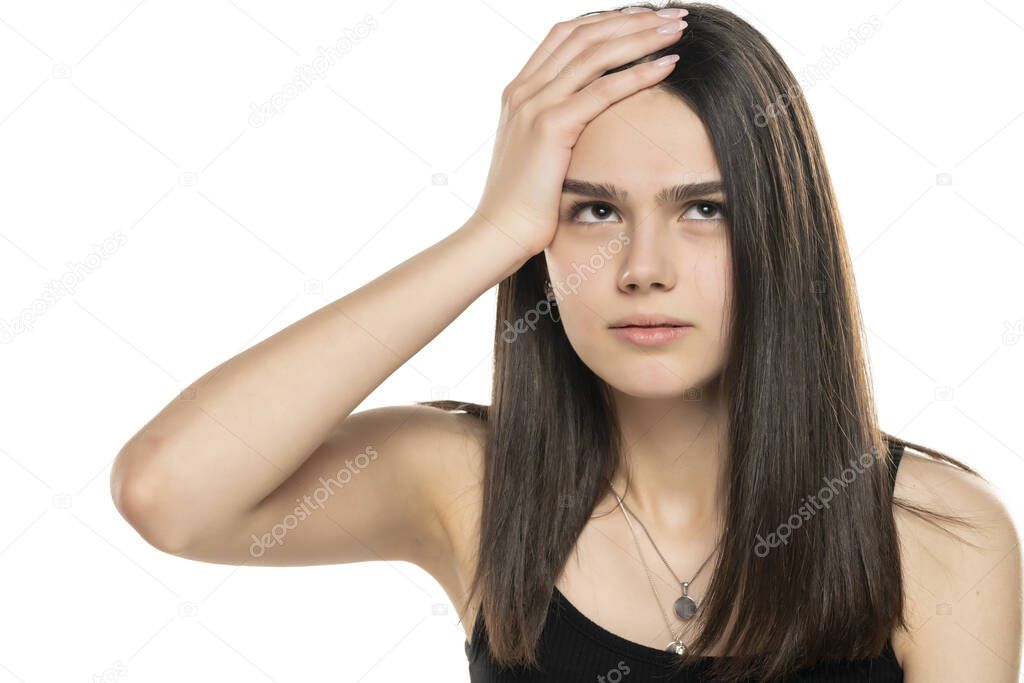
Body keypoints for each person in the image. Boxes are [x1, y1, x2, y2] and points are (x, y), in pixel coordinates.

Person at [110, 3, 1022, 681]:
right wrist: (492, 233)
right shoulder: (471, 487)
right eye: (594, 209)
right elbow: (170, 492)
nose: (643, 267)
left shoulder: (932, 533)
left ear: (782, 234)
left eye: (704, 209)